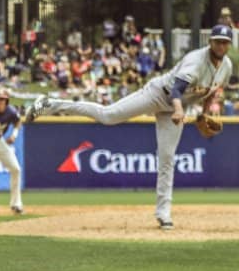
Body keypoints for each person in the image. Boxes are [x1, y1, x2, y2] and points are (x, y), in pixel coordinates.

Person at [25, 25, 235, 230]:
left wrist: (204, 113)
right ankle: (50, 103)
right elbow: (177, 89)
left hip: (176, 108)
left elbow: (212, 91)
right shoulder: (196, 60)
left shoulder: (226, 66)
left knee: (167, 158)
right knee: (109, 116)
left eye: (225, 43)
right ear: (210, 42)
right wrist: (179, 110)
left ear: (229, 45)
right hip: (159, 94)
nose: (221, 46)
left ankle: (163, 214)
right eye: (217, 42)